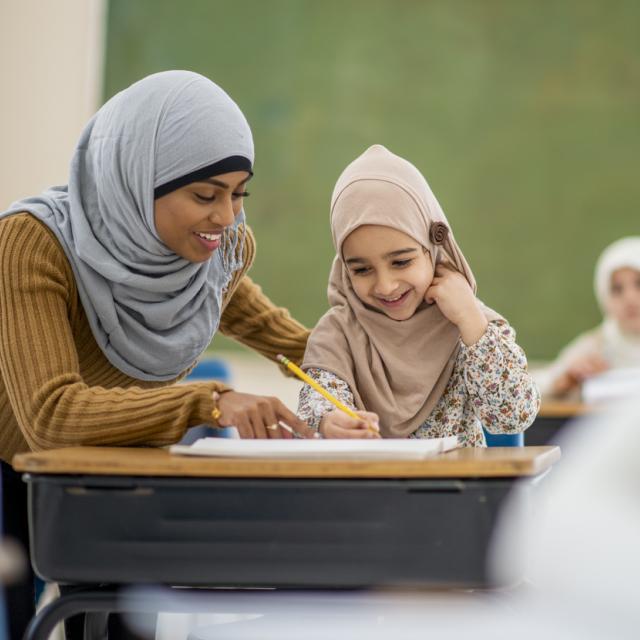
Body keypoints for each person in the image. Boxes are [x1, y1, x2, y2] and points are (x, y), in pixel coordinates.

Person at [0, 70, 312, 639]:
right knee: (23, 614)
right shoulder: (31, 243)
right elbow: (49, 416)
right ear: (139, 178)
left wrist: (356, 365)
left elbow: (272, 330)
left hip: (107, 463)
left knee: (121, 615)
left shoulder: (212, 252)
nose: (228, 217)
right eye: (205, 194)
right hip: (13, 458)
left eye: (239, 193)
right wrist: (211, 402)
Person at [297, 144, 539, 443]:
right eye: (361, 270)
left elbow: (513, 417)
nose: (385, 286)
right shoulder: (338, 332)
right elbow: (316, 402)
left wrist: (471, 322)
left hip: (457, 488)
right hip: (365, 488)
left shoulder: (472, 325)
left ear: (434, 248)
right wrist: (328, 421)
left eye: (401, 262)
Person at [539, 237, 640, 399]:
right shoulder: (596, 346)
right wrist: (567, 380)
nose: (630, 298)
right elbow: (538, 387)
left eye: (639, 284)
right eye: (616, 289)